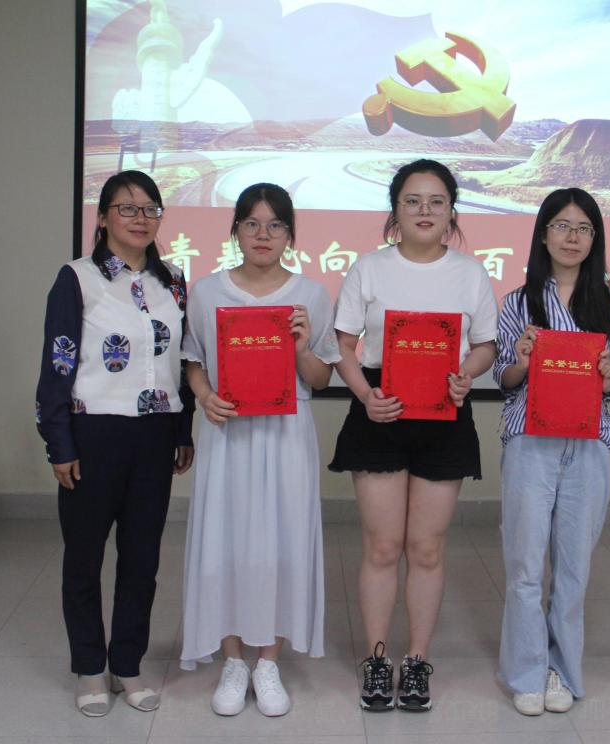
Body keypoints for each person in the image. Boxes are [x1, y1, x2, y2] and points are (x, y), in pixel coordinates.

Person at [329, 159, 498, 712]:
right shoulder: (369, 268)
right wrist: (365, 396)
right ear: (395, 210)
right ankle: (378, 659)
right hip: (380, 409)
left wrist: (466, 374)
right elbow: (343, 345)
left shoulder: (470, 273)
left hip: (444, 413)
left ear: (451, 211)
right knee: (382, 546)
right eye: (412, 201)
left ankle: (418, 660)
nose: (425, 211)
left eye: (436, 201)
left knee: (426, 548)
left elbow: (485, 346)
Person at [36, 170, 195, 716]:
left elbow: (182, 360)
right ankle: (88, 667)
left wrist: (183, 429)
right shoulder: (77, 278)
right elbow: (57, 363)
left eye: (150, 208)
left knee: (142, 559)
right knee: (84, 558)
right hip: (94, 434)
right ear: (102, 217)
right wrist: (59, 443)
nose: (140, 218)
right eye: (127, 208)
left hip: (155, 435)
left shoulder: (174, 280)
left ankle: (127, 664)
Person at [179, 183, 340, 717]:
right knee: (223, 539)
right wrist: (204, 396)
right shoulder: (207, 292)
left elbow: (320, 377)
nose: (263, 235)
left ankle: (268, 660)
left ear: (290, 234)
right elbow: (194, 361)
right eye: (252, 223)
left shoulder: (311, 293)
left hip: (285, 434)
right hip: (228, 432)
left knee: (281, 539)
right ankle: (232, 659)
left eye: (275, 225)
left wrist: (300, 345)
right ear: (235, 231)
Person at [493, 188, 610, 716]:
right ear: (543, 234)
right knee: (526, 566)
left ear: (595, 238)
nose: (572, 237)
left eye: (583, 228)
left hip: (589, 443)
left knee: (573, 570)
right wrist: (523, 359)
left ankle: (562, 670)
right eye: (562, 226)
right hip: (531, 441)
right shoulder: (518, 301)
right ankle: (527, 672)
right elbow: (504, 378)